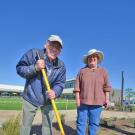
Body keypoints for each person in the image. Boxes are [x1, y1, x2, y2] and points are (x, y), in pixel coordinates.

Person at [16, 35, 66, 135]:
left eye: (57, 48)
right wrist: (35, 67)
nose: (54, 49)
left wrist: (55, 92)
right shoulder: (34, 54)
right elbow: (20, 68)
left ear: (60, 51)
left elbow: (60, 83)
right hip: (31, 97)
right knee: (25, 126)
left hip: (48, 100)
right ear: (46, 44)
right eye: (52, 45)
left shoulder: (61, 66)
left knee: (48, 126)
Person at [74, 49, 111, 135]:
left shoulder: (103, 71)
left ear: (97, 59)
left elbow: (107, 87)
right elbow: (77, 86)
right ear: (87, 59)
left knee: (94, 124)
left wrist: (107, 99)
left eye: (94, 56)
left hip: (97, 103)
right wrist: (77, 99)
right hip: (83, 102)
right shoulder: (82, 71)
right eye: (90, 57)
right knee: (81, 122)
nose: (92, 58)